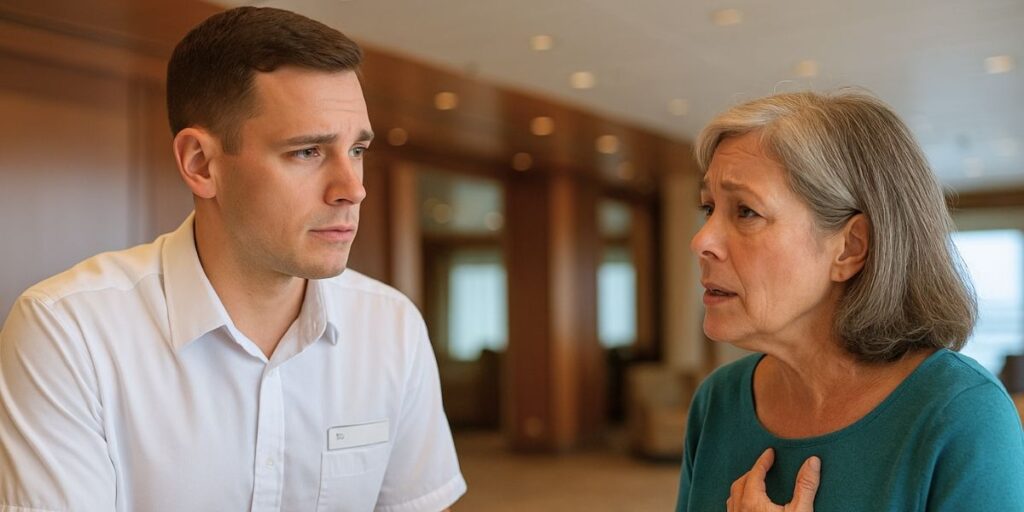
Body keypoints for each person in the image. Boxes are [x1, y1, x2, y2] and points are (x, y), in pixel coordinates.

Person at [0, 7, 465, 512]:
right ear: (201, 164)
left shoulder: (390, 325)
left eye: (357, 149)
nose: (353, 189)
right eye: (308, 152)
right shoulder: (69, 331)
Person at [676, 90, 1024, 511]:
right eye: (708, 207)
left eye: (745, 211)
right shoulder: (717, 402)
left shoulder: (964, 414)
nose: (701, 241)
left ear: (849, 247)